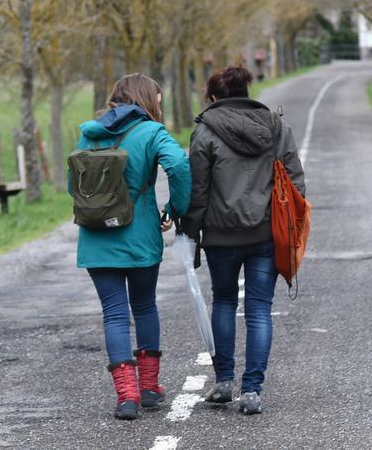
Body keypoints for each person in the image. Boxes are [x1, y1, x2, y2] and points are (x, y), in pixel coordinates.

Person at [182, 65, 305, 415]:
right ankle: (252, 391)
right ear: (247, 91)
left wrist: (190, 236)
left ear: (213, 97)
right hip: (266, 233)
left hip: (221, 236)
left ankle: (223, 382)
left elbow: (198, 192)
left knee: (222, 302)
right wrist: (292, 228)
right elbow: (295, 181)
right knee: (259, 309)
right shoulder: (275, 126)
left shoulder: (204, 133)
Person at [74, 73, 191, 421]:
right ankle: (149, 388)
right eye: (157, 96)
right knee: (143, 306)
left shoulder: (89, 132)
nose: (160, 102)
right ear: (146, 99)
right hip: (139, 234)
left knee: (114, 313)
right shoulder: (152, 132)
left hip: (96, 237)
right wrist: (175, 208)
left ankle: (126, 397)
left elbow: (73, 185)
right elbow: (180, 166)